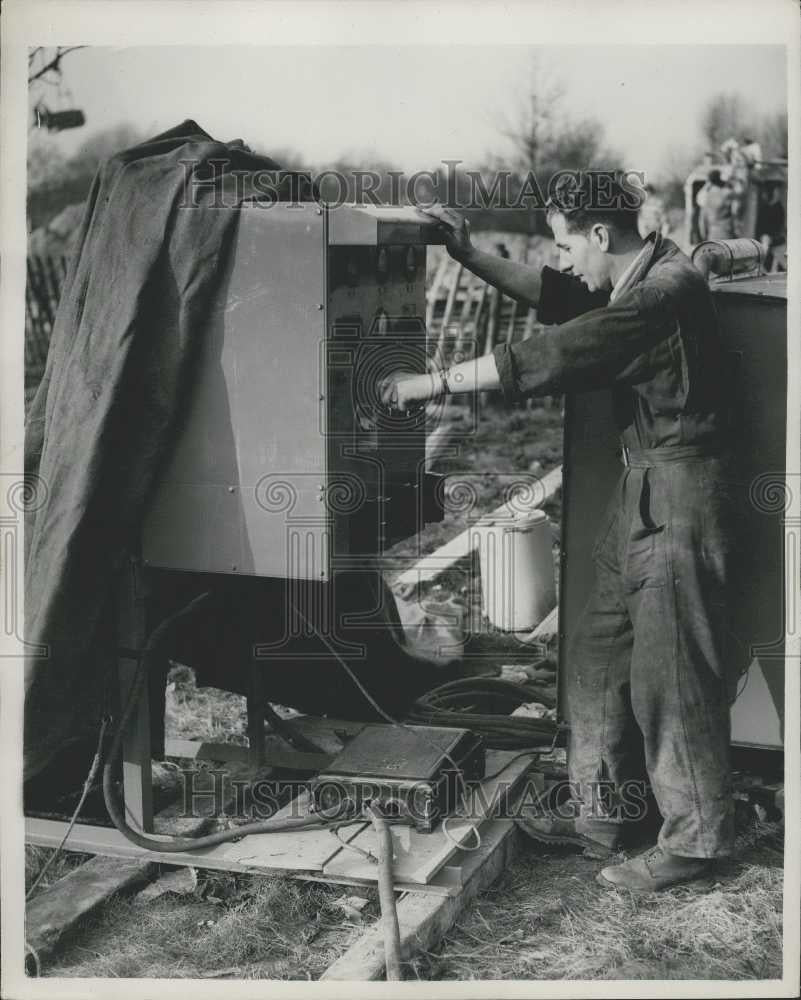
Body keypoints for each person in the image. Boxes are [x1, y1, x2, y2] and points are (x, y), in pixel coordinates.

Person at [380, 172, 739, 892]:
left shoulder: (662, 292)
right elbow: (561, 297)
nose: (566, 258)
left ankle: (697, 843)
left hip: (679, 490)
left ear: (600, 235)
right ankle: (607, 816)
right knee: (598, 652)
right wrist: (468, 254)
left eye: (567, 243)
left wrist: (426, 385)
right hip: (642, 484)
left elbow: (555, 352)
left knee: (669, 671)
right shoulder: (640, 274)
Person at [698, 169, 737, 240]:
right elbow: (735, 212)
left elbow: (703, 220)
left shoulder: (705, 196)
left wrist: (704, 235)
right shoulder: (728, 194)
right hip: (727, 231)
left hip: (712, 233)